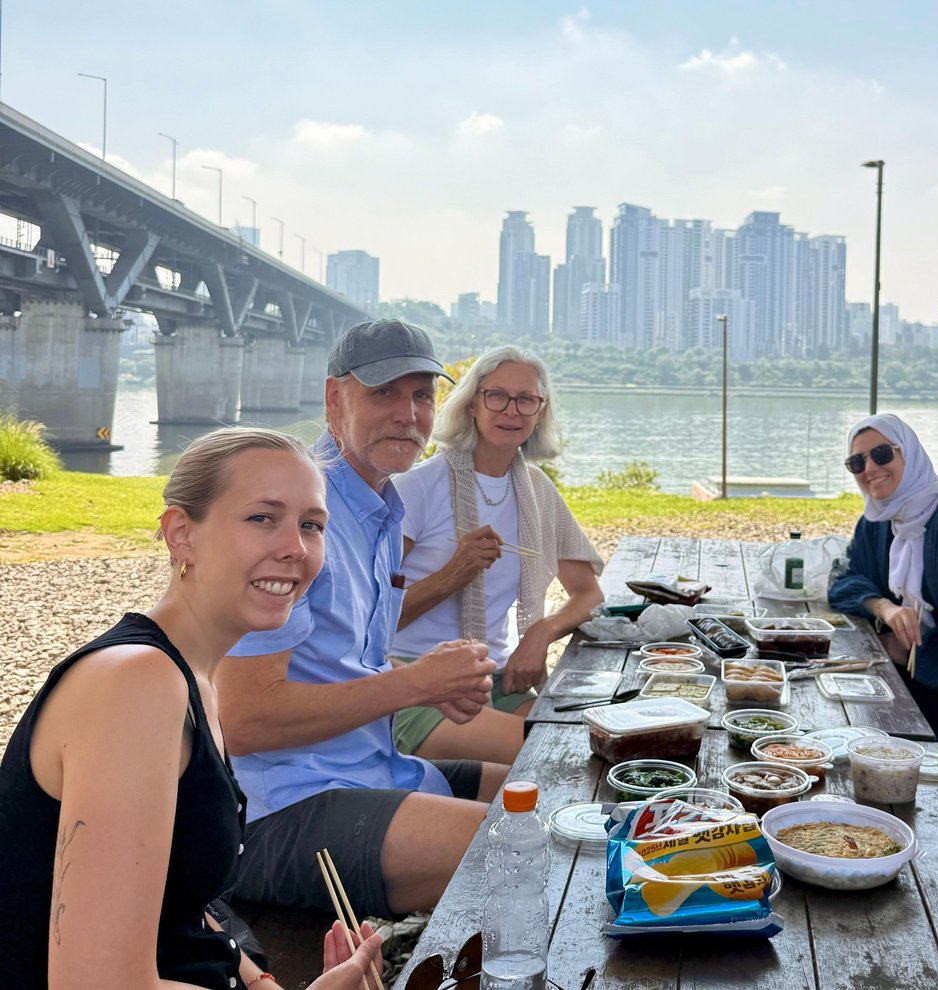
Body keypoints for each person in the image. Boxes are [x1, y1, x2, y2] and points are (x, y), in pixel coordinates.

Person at [0, 427, 383, 989]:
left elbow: (179, 896)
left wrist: (263, 984)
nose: (296, 548)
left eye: (312, 525)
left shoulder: (192, 677)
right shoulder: (137, 685)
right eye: (262, 517)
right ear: (181, 534)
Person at [215, 320, 506, 919]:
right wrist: (414, 685)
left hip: (369, 768)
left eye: (422, 395)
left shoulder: (379, 509)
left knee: (549, 796)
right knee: (523, 851)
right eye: (383, 393)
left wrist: (430, 679)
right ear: (334, 399)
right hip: (277, 810)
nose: (407, 414)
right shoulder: (299, 513)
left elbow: (340, 660)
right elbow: (244, 720)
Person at [389, 345, 603, 764]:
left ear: (541, 411)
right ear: (472, 404)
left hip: (495, 678)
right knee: (552, 755)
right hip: (413, 681)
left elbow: (589, 593)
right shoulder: (417, 487)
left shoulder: (536, 490)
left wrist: (539, 634)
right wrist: (453, 574)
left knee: (588, 741)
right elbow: (368, 619)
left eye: (526, 399)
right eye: (497, 396)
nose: (511, 410)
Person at [828, 413, 938, 757]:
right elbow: (840, 580)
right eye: (857, 462)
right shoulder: (877, 520)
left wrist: (912, 653)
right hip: (896, 678)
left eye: (882, 454)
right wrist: (884, 608)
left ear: (909, 453)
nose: (870, 468)